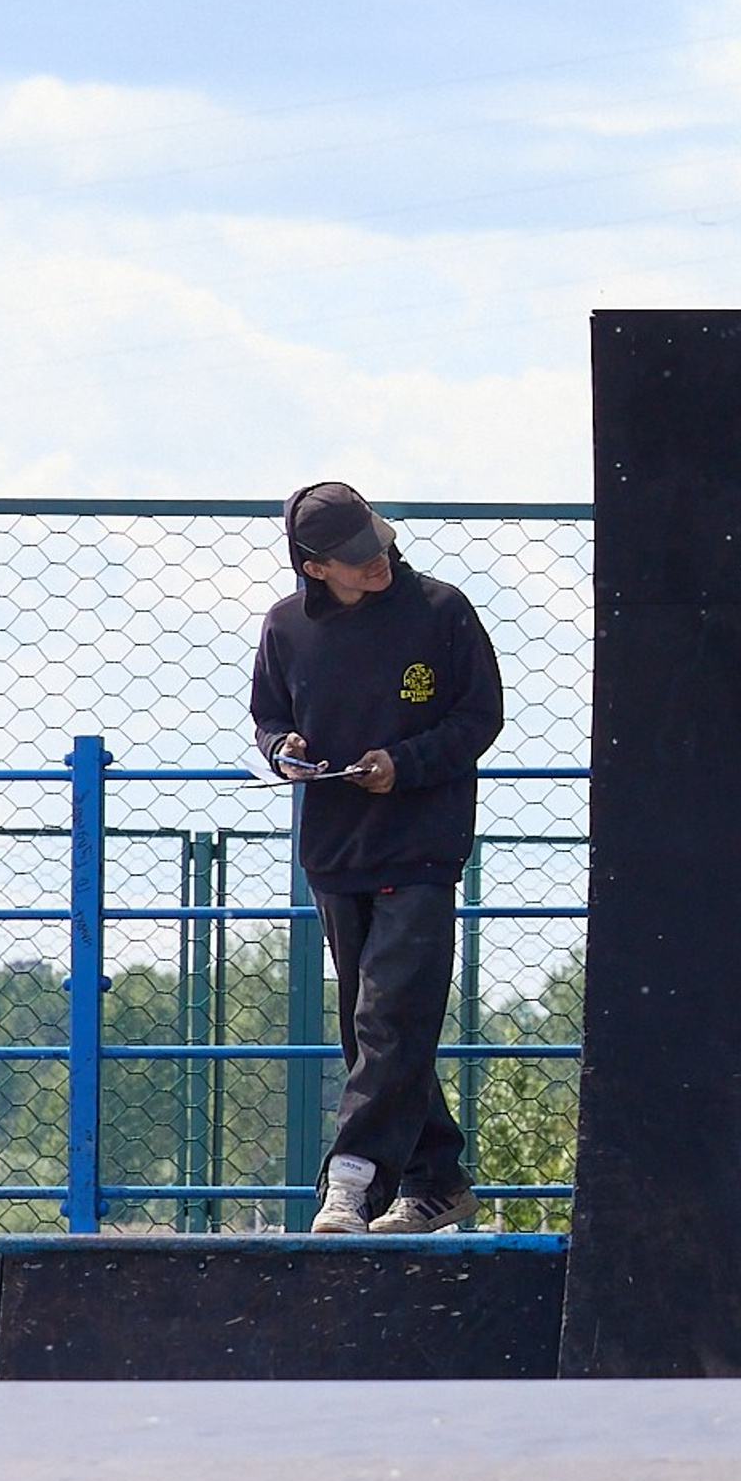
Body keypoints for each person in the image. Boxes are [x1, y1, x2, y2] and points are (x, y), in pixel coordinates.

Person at [249, 481, 503, 1234]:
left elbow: (479, 715)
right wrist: (281, 751)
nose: (378, 562)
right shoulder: (287, 627)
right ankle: (437, 1179)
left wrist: (405, 764)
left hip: (423, 846)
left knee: (390, 1016)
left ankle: (351, 1183)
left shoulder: (441, 610)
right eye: (356, 558)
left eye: (378, 543)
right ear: (313, 566)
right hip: (336, 849)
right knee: (375, 1029)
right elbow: (269, 716)